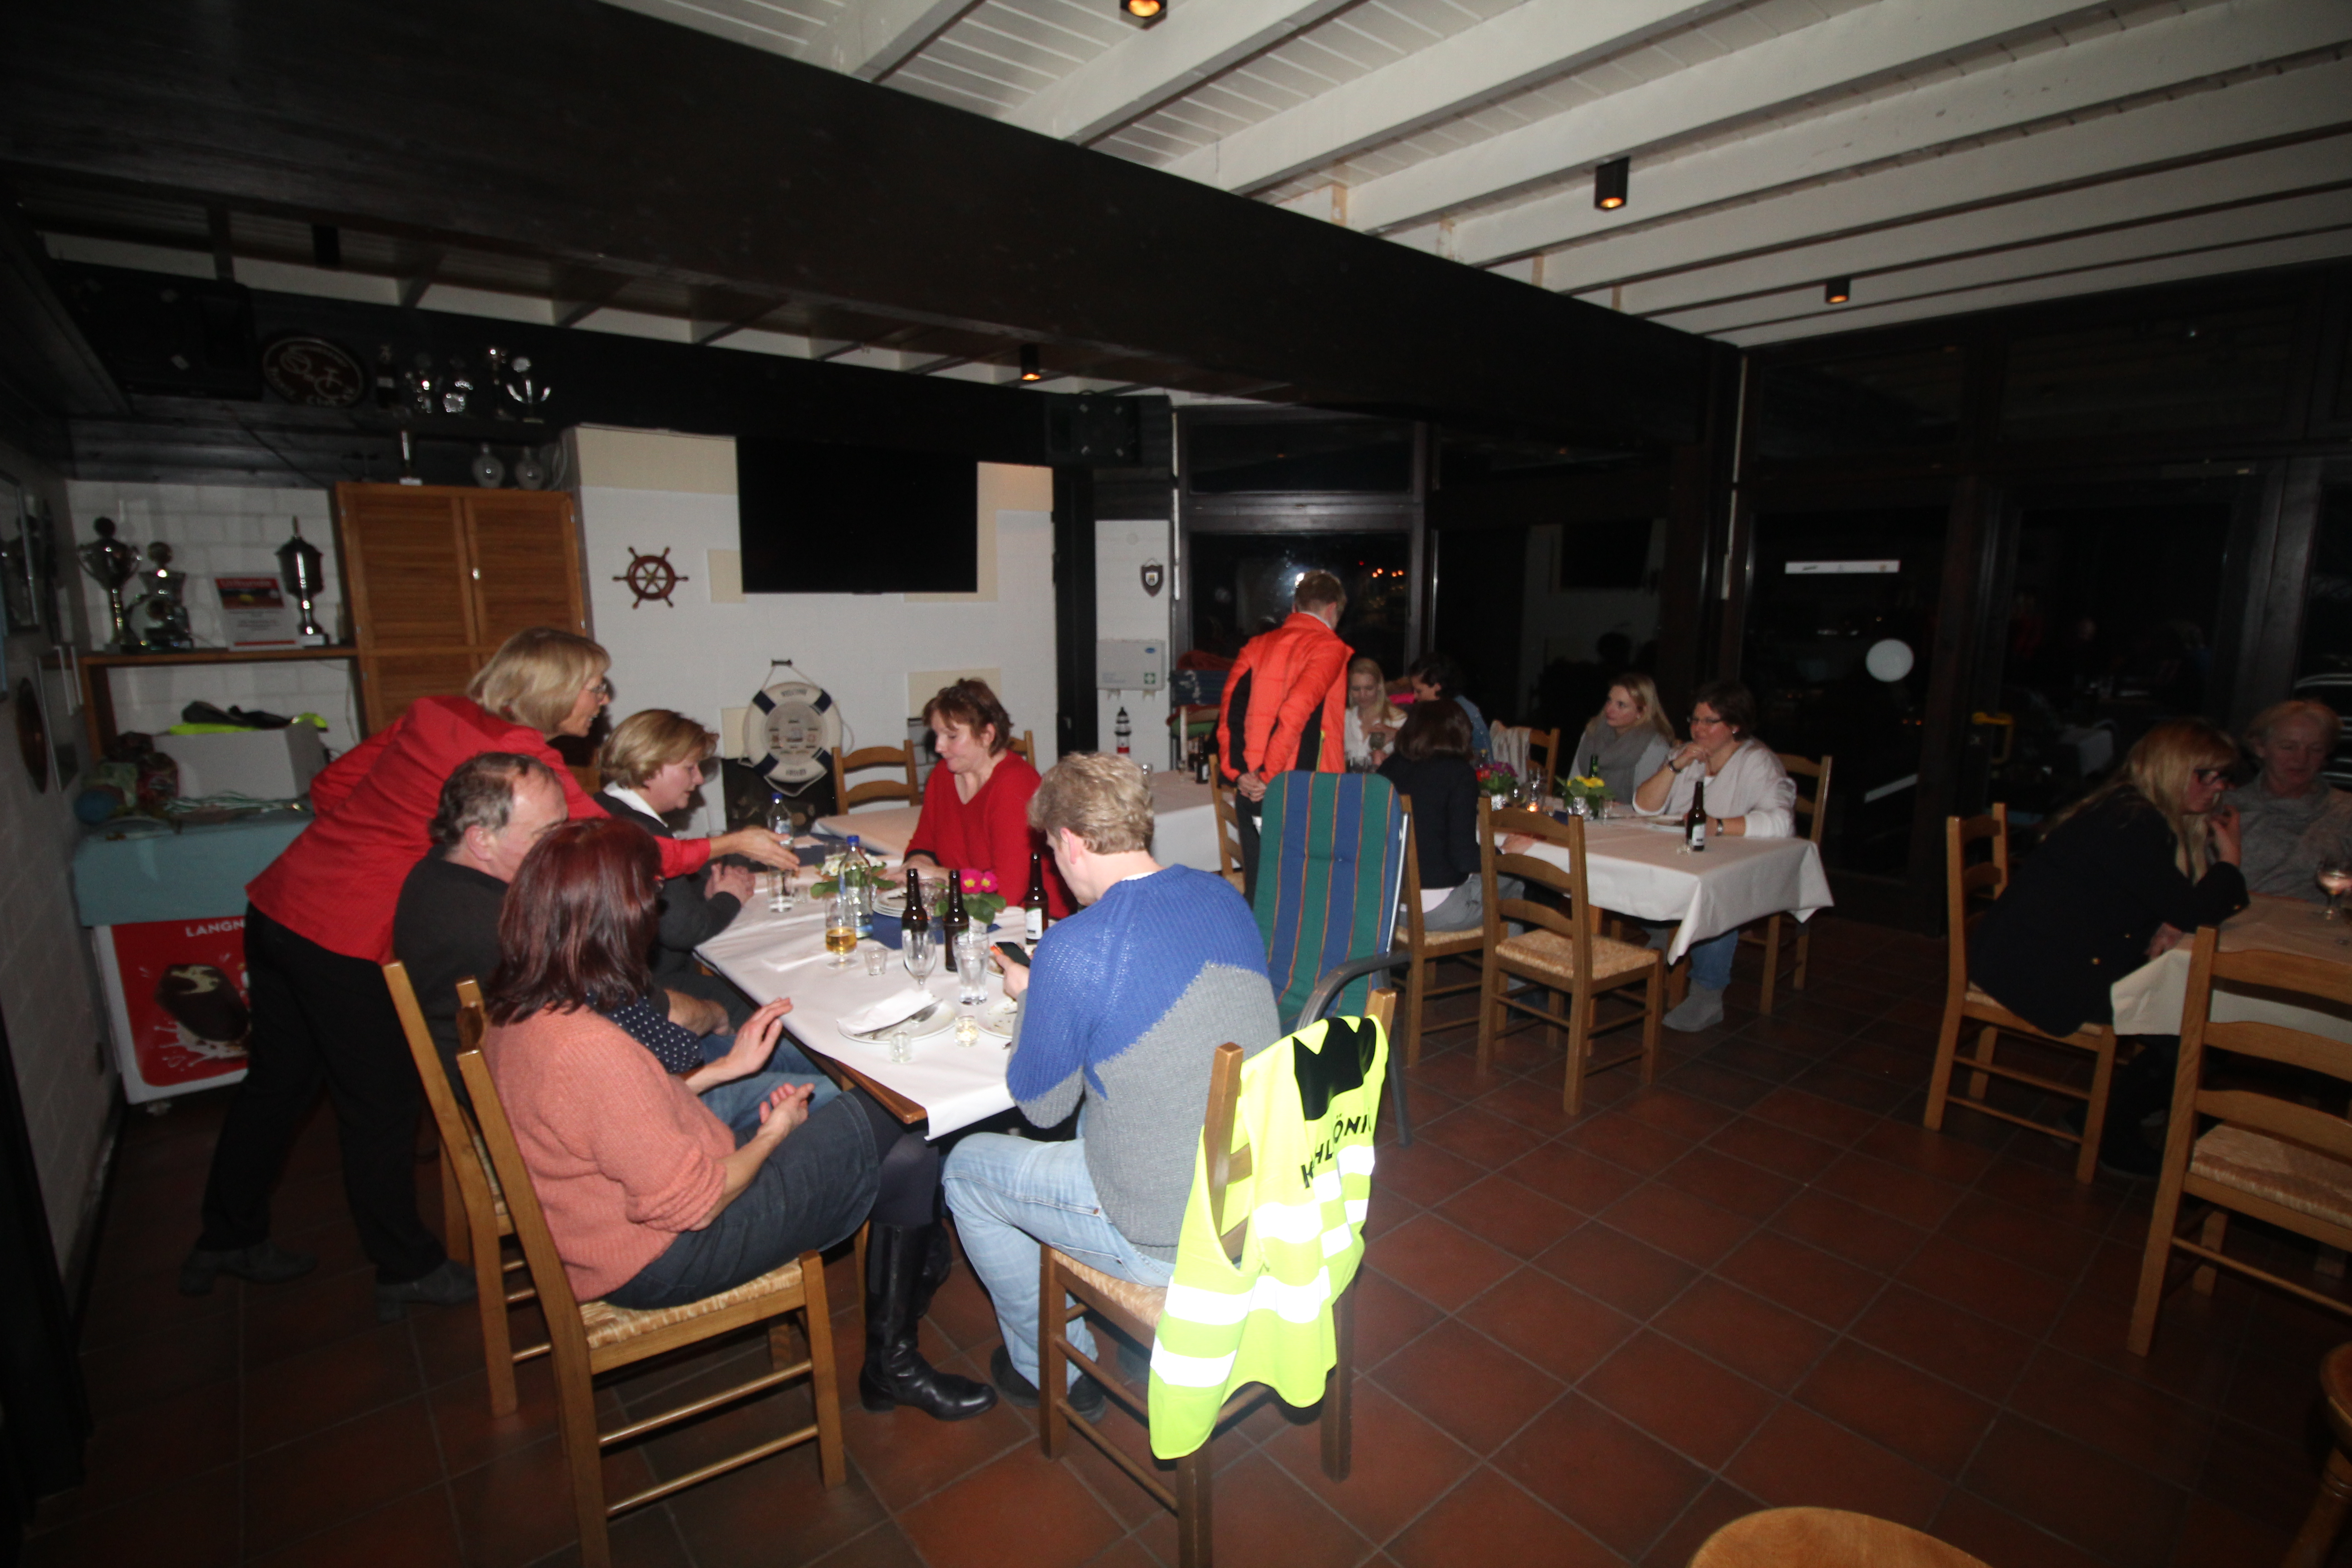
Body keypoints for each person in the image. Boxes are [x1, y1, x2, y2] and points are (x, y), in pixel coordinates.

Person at [182, 627, 794, 1316]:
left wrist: (392, 837)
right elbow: (611, 849)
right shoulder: (521, 760)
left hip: (282, 901)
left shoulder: (433, 713)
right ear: (553, 690)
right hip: (344, 930)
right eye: (594, 686)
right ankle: (403, 1267)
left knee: (276, 1084)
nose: (602, 699)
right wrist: (726, 843)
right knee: (378, 1107)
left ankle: (226, 1234)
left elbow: (332, 787)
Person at [481, 819, 995, 1419]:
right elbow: (695, 1204)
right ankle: (912, 1287)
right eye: (648, 898)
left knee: (908, 1150)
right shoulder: (587, 1048)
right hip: (671, 1254)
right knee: (890, 1104)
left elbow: (617, 1117)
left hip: (652, 1205)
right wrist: (775, 1135)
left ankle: (893, 1359)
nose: (656, 910)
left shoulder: (524, 1009)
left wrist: (726, 1070)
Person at [943, 754, 1279, 1418]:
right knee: (1109, 1100)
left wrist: (1033, 996)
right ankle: (1134, 1342)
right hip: (1257, 1191)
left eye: (1051, 850)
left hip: (1171, 1236)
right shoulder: (1223, 896)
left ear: (1071, 842)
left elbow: (1041, 1107)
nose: (1055, 866)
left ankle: (1053, 1369)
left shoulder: (1076, 947)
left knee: (965, 1170)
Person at [397, 753, 834, 1130]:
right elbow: (650, 1019)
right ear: (481, 839)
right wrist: (718, 1016)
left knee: (802, 1053)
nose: (563, 845)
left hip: (578, 1080)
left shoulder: (435, 878)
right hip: (597, 1110)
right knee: (837, 1093)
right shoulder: (505, 928)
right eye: (545, 834)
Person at [1969, 718, 2249, 1175]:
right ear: (2171, 769)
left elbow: (2164, 899)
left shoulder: (2134, 810)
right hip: (2036, 968)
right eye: (2207, 776)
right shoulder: (2129, 821)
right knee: (2200, 1033)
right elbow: (2194, 908)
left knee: (2198, 1017)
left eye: (2224, 777)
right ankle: (2110, 1132)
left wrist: (2172, 918)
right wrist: (2230, 859)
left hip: (2054, 952)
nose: (2219, 788)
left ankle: (2115, 1112)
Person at [1631, 680, 1797, 1033]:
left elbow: (1782, 822)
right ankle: (1663, 927)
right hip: (1679, 856)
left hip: (1732, 865)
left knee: (1716, 895)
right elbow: (1643, 807)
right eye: (1695, 720)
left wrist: (1717, 826)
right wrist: (1675, 766)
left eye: (1710, 722)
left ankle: (1707, 994)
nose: (1698, 729)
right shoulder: (1687, 754)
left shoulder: (1757, 761)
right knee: (1625, 868)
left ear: (1735, 725)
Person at [597, 709, 760, 1027]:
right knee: (761, 1004)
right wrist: (730, 897)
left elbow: (666, 903)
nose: (698, 779)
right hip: (648, 989)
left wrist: (706, 892)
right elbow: (686, 931)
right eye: (689, 768)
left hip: (614, 980)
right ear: (649, 768)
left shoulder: (603, 806)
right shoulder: (642, 833)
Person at [1216, 570, 1352, 898]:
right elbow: (1296, 713)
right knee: (1306, 894)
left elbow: (1231, 711)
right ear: (1333, 610)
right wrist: (1269, 776)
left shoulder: (1256, 646)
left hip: (1252, 787)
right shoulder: (1329, 647)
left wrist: (1239, 773)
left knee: (1261, 890)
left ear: (1295, 606)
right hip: (1306, 788)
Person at [901, 679, 1069, 917]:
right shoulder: (942, 776)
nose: (939, 747)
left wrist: (938, 875)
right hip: (968, 909)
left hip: (1030, 919)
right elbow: (923, 843)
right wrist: (917, 865)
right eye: (937, 735)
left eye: (951, 736)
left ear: (987, 735)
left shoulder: (1015, 785)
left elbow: (1007, 894)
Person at [1378, 699, 1530, 931]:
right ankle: (1508, 952)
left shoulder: (1389, 768)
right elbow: (1464, 858)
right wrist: (1506, 853)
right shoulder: (1457, 774)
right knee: (1514, 877)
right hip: (1436, 911)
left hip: (1389, 905)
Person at [2231, 699, 2352, 902]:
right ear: (2260, 747)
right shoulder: (2226, 807)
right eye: (2288, 747)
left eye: (2315, 749)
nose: (2301, 759)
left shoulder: (2345, 812)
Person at [1574, 673, 1676, 804]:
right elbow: (1573, 784)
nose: (1609, 709)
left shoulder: (1654, 746)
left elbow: (1645, 803)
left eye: (1621, 705)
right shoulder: (1593, 732)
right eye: (1609, 700)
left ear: (1641, 712)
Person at [1406, 652, 1490, 761]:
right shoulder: (1435, 707)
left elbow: (1485, 760)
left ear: (1438, 687)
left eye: (1419, 691)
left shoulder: (1461, 712)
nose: (1415, 696)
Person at [1343, 656, 1405, 771]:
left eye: (1369, 688)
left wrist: (1397, 736)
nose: (1363, 695)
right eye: (1356, 689)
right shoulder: (1344, 718)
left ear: (1380, 686)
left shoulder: (1398, 719)